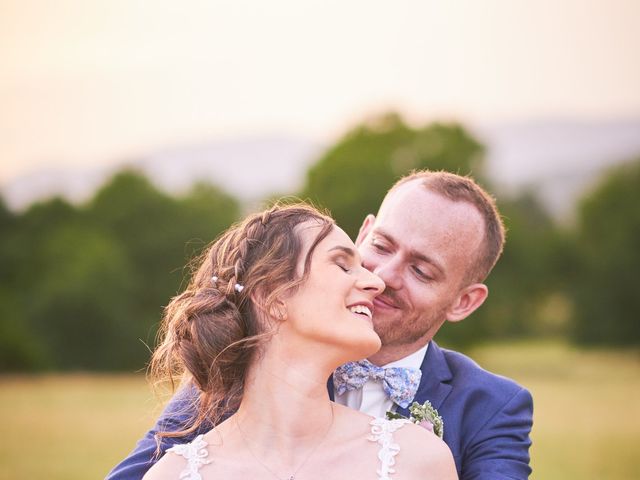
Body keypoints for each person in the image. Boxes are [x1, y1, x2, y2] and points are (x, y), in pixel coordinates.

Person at [108, 170, 533, 480]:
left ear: (464, 302)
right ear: (363, 233)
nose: (382, 276)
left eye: (421, 271)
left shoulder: (490, 408)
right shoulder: (235, 375)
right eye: (380, 246)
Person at [136, 203, 457, 480]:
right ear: (271, 296)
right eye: (343, 265)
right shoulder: (173, 475)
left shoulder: (418, 461)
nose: (376, 281)